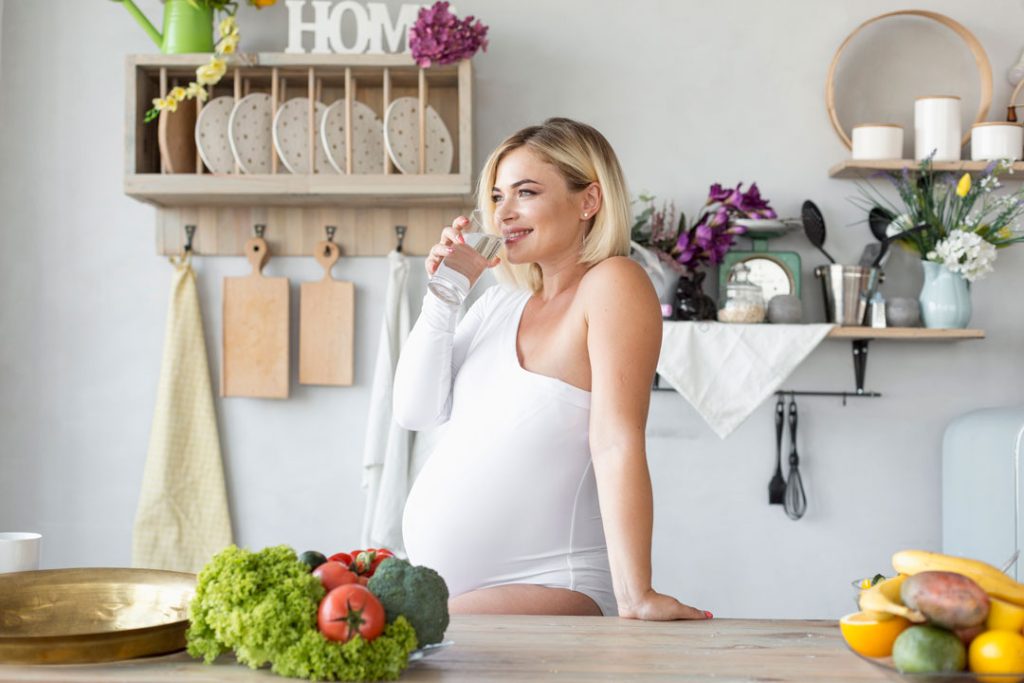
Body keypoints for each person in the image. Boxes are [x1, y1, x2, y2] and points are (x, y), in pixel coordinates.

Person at [393, 117, 711, 620]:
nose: (504, 213)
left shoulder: (612, 283)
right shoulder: (498, 305)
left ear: (588, 201)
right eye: (496, 197)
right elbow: (415, 411)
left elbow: (617, 441)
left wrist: (637, 595)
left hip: (552, 583)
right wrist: (445, 292)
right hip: (457, 594)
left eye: (526, 192)